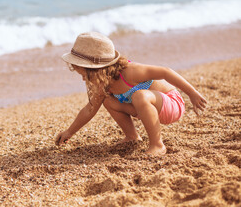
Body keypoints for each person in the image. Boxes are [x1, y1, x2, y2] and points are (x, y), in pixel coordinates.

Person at [55, 32, 207, 155]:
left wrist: (191, 93)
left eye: (84, 74)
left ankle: (157, 145)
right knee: (108, 101)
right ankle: (132, 137)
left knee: (139, 96)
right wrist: (69, 132)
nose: (83, 79)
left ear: (96, 69)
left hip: (171, 105)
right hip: (144, 107)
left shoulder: (130, 71)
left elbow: (165, 72)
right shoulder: (103, 84)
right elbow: (89, 109)